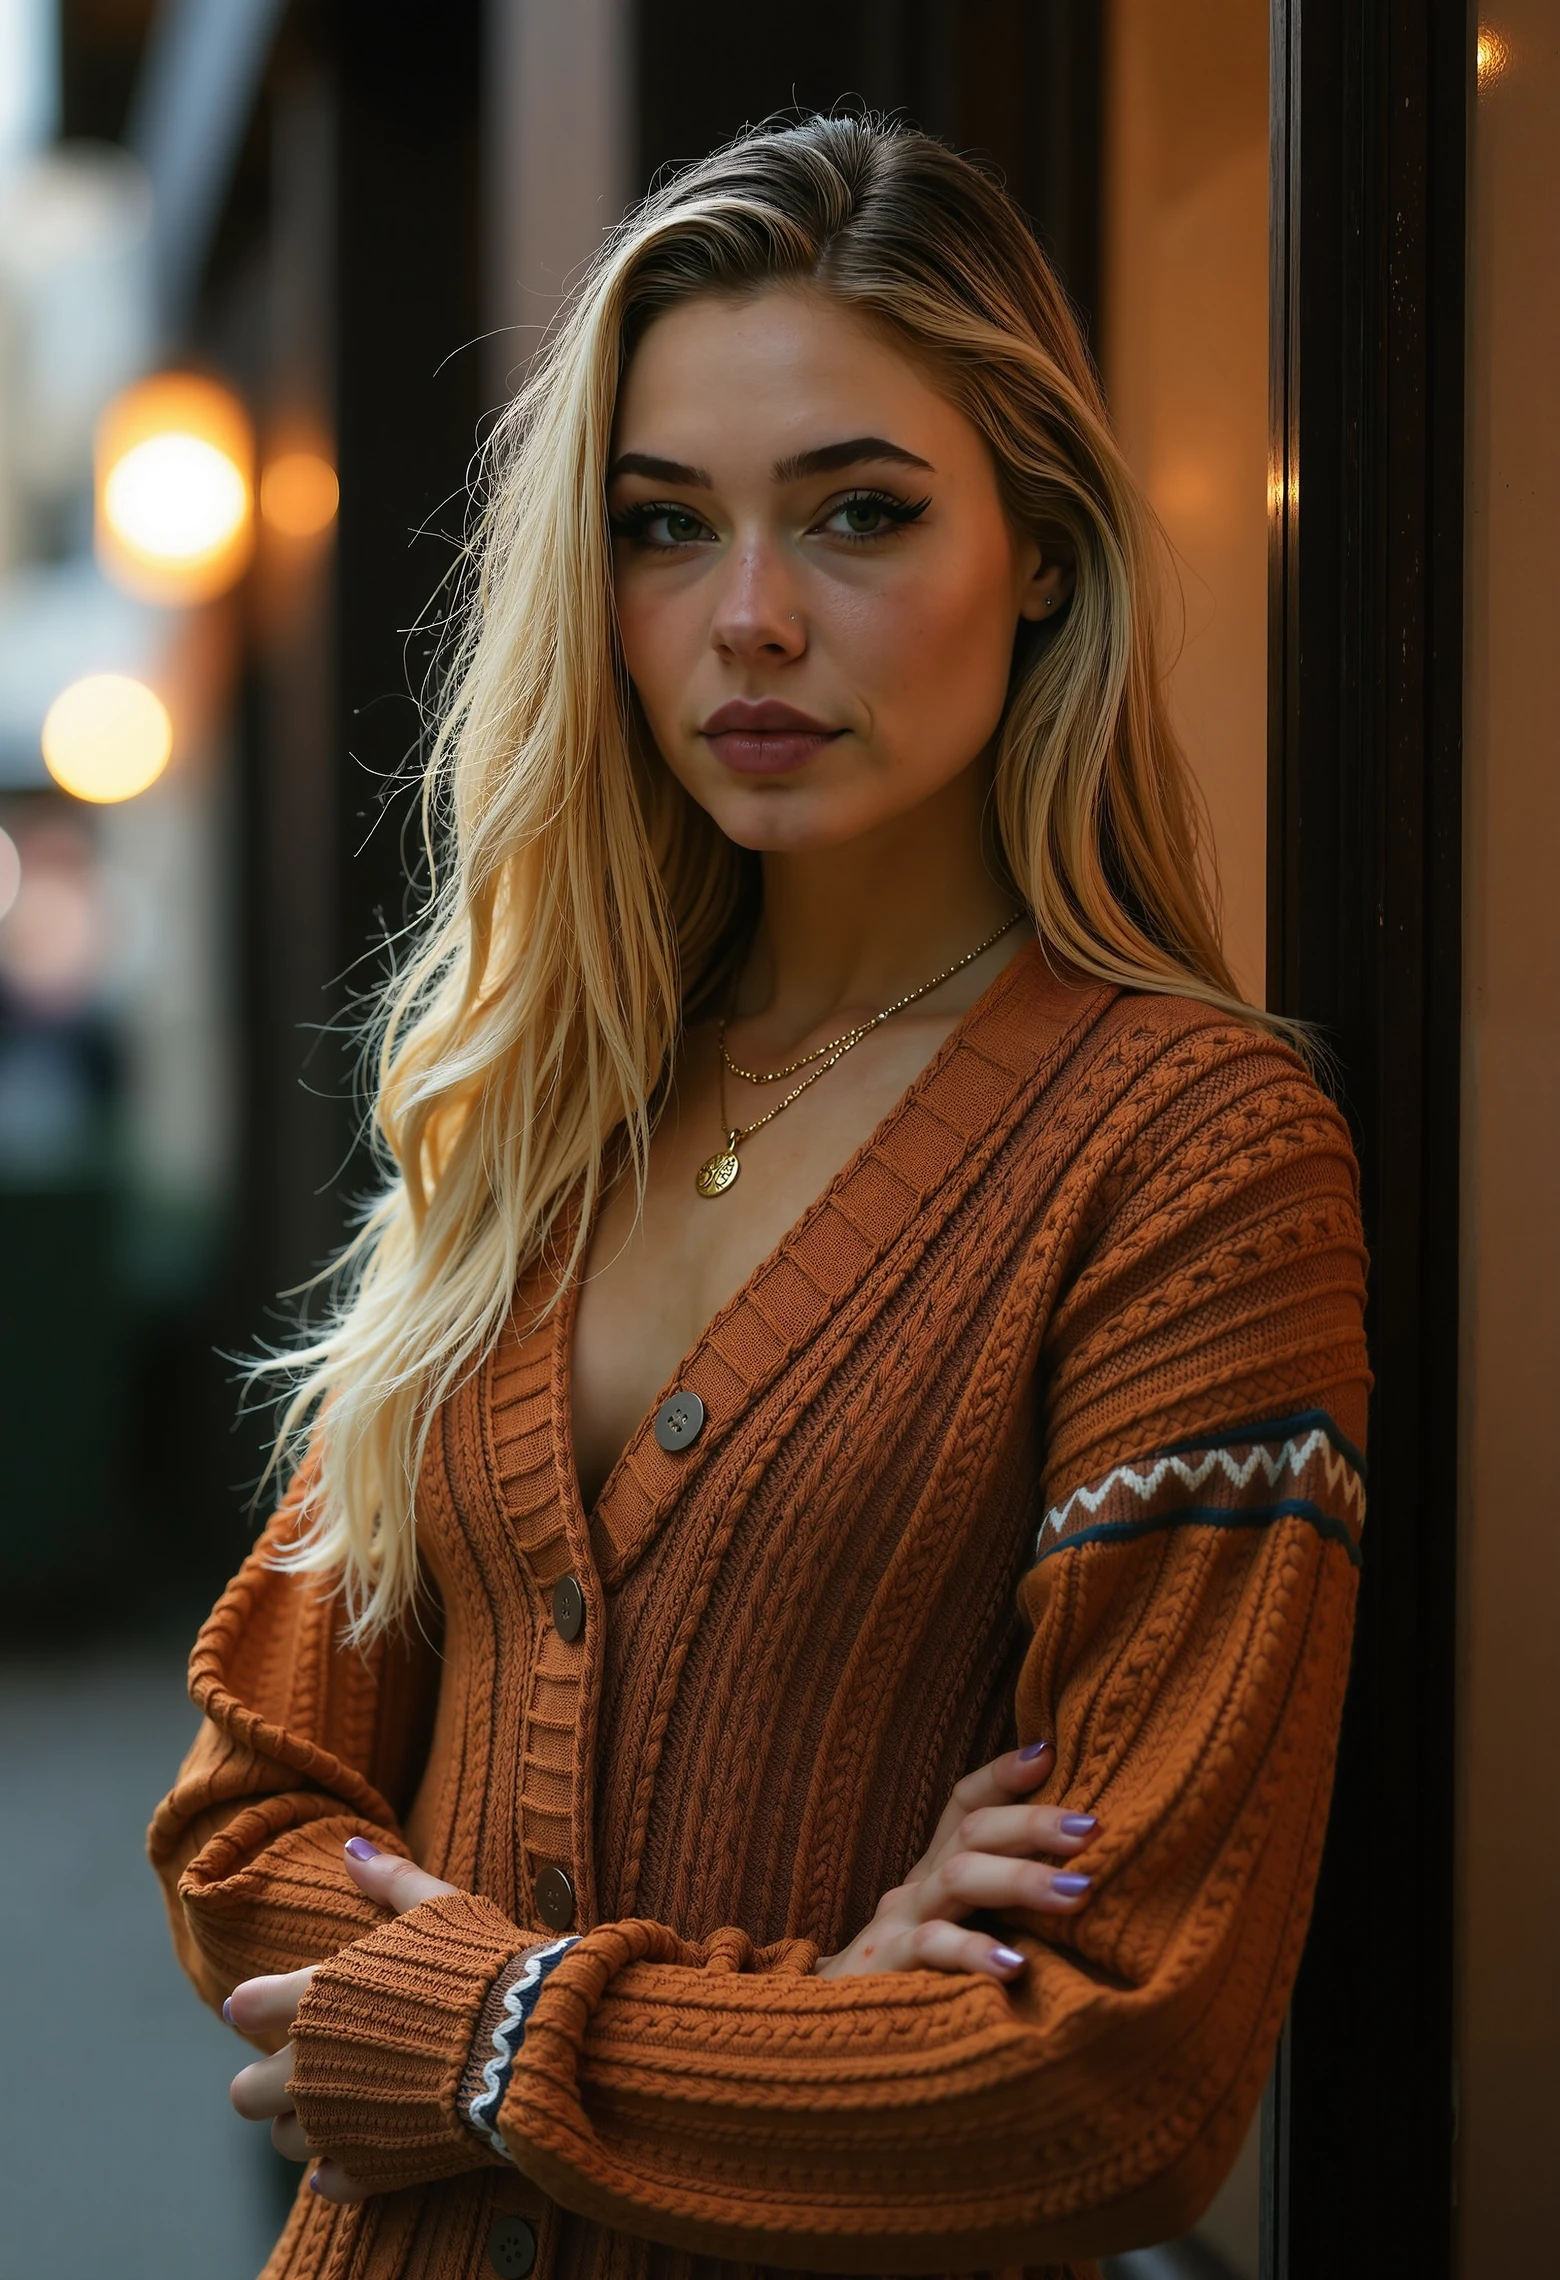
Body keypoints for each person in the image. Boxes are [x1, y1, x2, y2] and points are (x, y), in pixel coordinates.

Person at [150, 115, 1369, 2280]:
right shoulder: (546, 1094)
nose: (749, 619)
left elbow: (1108, 2085)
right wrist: (815, 2020)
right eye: (662, 528)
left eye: (861, 515)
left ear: (1050, 549)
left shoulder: (1188, 1157)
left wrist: (487, 2022)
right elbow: (245, 1824)